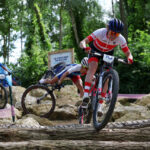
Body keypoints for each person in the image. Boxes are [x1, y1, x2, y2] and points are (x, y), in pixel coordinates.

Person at [79, 18, 133, 108]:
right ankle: (85, 95)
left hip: (108, 53)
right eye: (112, 33)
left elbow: (128, 53)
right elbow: (83, 42)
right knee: (93, 67)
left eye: (117, 34)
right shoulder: (100, 32)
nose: (114, 36)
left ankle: (100, 105)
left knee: (107, 77)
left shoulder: (121, 39)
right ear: (108, 29)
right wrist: (85, 48)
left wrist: (130, 58)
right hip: (95, 50)